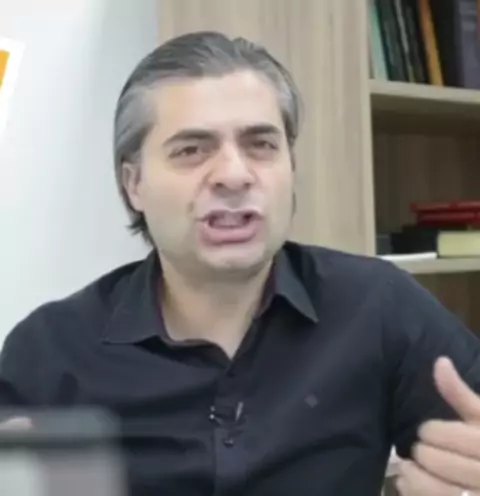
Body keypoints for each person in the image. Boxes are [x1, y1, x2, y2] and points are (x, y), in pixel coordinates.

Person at [1, 30, 480, 496]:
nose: (233, 175)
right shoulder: (49, 352)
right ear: (134, 185)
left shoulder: (378, 307)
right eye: (191, 150)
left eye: (261, 145)